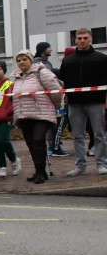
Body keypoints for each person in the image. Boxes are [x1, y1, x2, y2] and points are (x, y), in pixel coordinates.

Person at [58, 28, 107, 176]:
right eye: (79, 38)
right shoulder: (67, 60)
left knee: (99, 134)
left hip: (96, 102)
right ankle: (80, 166)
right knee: (78, 135)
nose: (82, 41)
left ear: (91, 39)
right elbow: (63, 80)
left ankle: (101, 164)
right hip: (75, 104)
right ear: (75, 40)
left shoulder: (101, 58)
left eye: (85, 38)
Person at [11, 49, 63, 184]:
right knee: (31, 143)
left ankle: (40, 171)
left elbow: (56, 92)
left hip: (41, 114)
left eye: (24, 59)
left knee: (38, 139)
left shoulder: (42, 73)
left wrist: (56, 106)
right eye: (19, 60)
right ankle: (39, 171)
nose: (21, 62)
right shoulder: (17, 77)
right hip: (24, 115)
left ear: (31, 60)